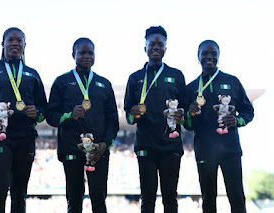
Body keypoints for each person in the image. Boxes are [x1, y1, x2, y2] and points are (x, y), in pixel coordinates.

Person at [0, 27, 47, 213]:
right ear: (2, 44)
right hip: (0, 138)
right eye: (10, 40)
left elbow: (45, 110)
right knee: (0, 190)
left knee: (20, 193)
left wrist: (36, 112)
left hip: (26, 138)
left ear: (24, 45)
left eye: (19, 40)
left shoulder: (33, 74)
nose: (15, 43)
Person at [46, 37, 119, 213]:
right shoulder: (62, 82)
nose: (87, 56)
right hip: (71, 148)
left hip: (98, 149)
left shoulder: (104, 84)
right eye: (82, 52)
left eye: (91, 53)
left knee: (99, 199)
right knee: (74, 200)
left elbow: (113, 121)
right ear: (73, 54)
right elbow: (51, 117)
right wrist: (70, 115)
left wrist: (104, 144)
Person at [185, 40, 254, 213]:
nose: (209, 57)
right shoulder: (191, 88)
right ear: (198, 57)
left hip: (230, 149)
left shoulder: (232, 81)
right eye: (205, 54)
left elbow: (248, 111)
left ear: (218, 56)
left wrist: (236, 120)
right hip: (205, 150)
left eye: (213, 53)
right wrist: (190, 114)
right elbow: (187, 125)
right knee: (208, 198)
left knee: (237, 196)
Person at [124, 26, 186, 213]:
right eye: (152, 44)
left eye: (160, 44)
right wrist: (133, 113)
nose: (156, 47)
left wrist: (182, 115)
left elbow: (186, 111)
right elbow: (128, 115)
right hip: (146, 145)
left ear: (166, 48)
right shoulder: (135, 78)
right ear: (145, 48)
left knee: (170, 197)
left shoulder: (176, 75)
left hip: (171, 146)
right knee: (147, 198)